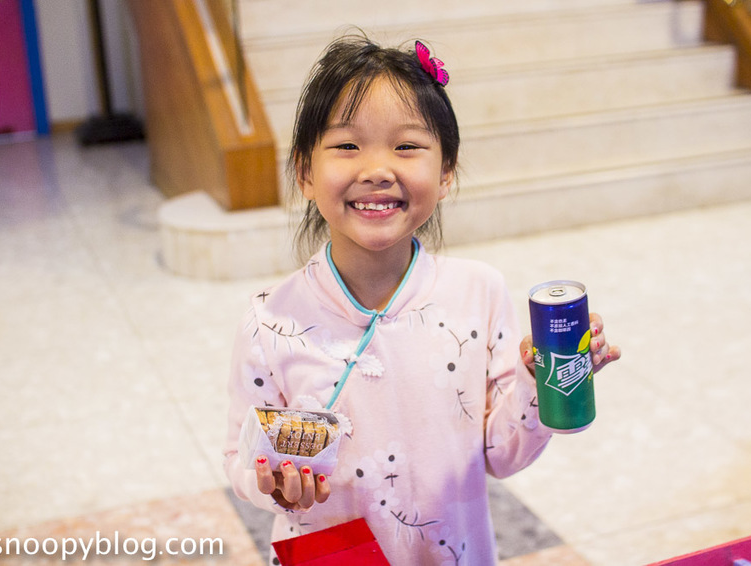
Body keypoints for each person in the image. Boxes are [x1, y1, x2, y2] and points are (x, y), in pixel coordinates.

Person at [223, 34, 620, 565]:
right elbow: (240, 455)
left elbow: (501, 455)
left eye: (406, 146)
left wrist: (541, 380)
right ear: (304, 173)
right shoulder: (270, 320)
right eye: (347, 146)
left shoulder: (478, 293)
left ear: (446, 172)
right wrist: (271, 483)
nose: (377, 169)